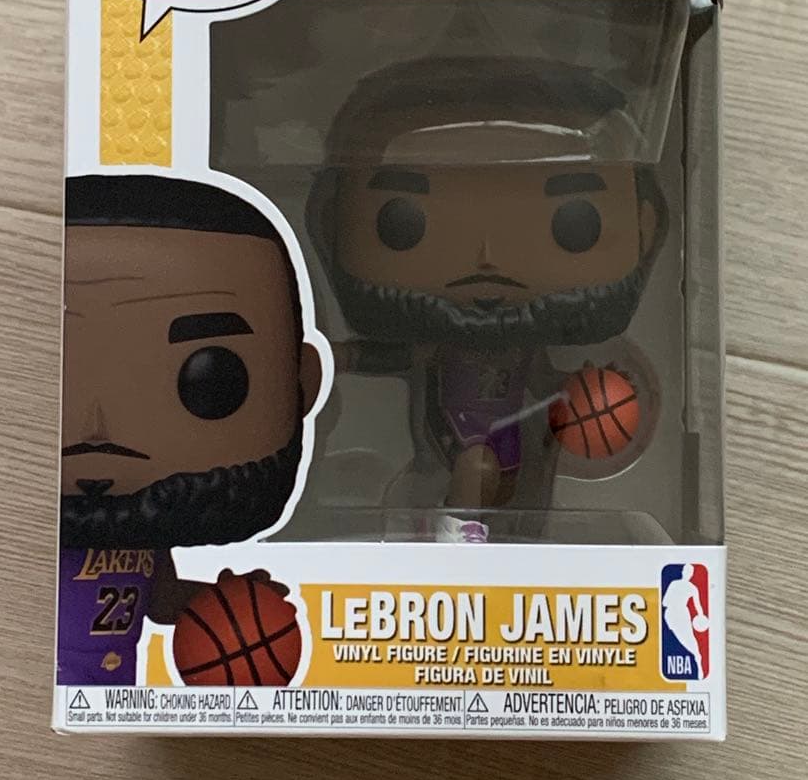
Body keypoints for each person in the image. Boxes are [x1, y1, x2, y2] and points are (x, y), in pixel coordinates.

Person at [312, 56, 666, 541]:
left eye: (574, 225)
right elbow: (398, 356)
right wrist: (341, 355)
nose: (486, 260)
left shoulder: (523, 345)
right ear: (332, 220)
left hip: (514, 437)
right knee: (475, 467)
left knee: (516, 492)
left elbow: (546, 382)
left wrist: (587, 393)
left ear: (645, 225)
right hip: (453, 431)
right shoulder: (438, 344)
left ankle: (491, 539)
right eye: (402, 224)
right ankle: (459, 531)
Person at [58, 174, 322, 683]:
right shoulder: (35, 534)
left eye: (210, 377)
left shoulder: (138, 524)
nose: (97, 431)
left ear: (301, 384)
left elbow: (160, 601)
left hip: (112, 696)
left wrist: (224, 606)